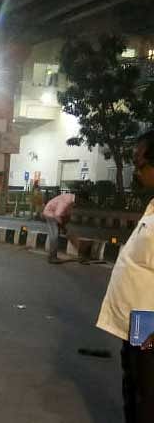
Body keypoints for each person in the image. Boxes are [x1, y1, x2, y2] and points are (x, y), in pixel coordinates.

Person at [96, 131, 154, 423]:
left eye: (139, 163)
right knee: (134, 389)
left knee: (148, 398)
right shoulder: (153, 206)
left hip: (151, 331)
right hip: (138, 325)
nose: (136, 171)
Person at [42, 190, 77, 264]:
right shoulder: (67, 201)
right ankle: (52, 257)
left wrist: (64, 226)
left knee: (56, 234)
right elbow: (58, 214)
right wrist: (62, 227)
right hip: (50, 214)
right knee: (54, 236)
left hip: (56, 214)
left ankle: (53, 256)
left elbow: (66, 214)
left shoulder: (71, 200)